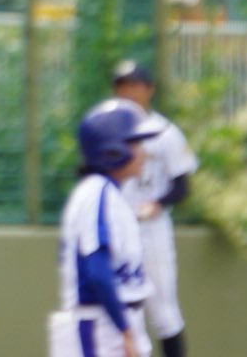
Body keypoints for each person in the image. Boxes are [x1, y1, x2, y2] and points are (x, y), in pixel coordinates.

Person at [50, 99, 159, 357]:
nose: (144, 153)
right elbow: (98, 271)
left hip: (113, 321)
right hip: (99, 326)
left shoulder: (110, 193)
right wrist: (125, 331)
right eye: (135, 143)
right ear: (112, 150)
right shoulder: (96, 193)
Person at [113, 62, 198, 357]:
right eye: (122, 85)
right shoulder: (108, 131)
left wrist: (158, 204)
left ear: (149, 89)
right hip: (118, 231)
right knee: (125, 316)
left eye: (134, 85)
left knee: (164, 313)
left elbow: (183, 186)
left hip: (152, 231)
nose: (128, 92)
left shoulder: (165, 132)